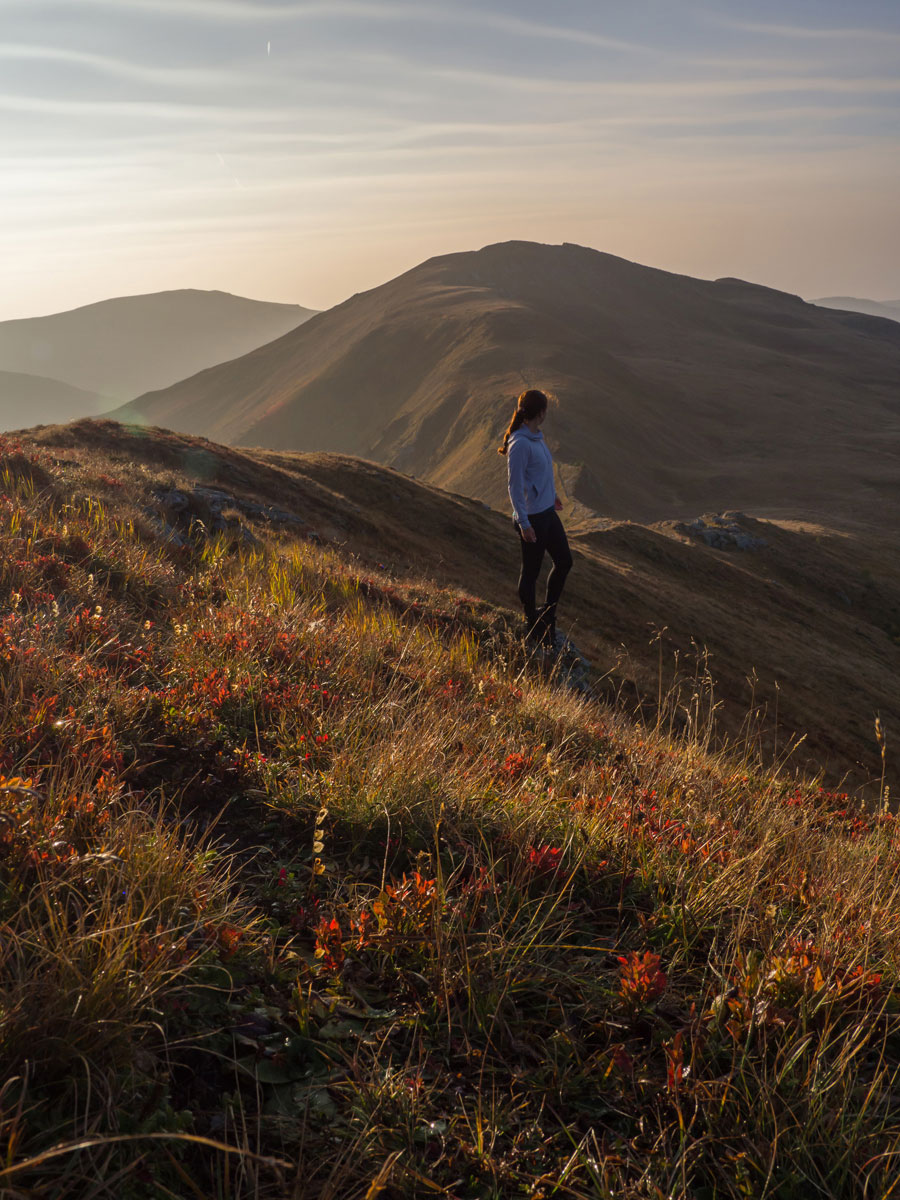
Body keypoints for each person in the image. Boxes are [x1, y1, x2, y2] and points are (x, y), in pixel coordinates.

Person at [498, 389, 573, 648]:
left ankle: (548, 613)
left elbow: (538, 475)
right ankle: (532, 621)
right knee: (530, 573)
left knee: (564, 561)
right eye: (546, 410)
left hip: (547, 512)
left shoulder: (535, 437)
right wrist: (524, 523)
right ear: (540, 412)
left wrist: (551, 496)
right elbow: (514, 487)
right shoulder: (519, 444)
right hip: (532, 518)